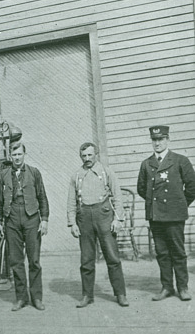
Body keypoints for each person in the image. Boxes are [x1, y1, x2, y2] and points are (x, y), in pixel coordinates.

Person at [137, 125, 195, 301]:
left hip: (174, 215)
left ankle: (183, 288)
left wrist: (179, 204)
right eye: (154, 140)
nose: (157, 143)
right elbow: (141, 188)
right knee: (161, 252)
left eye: (161, 139)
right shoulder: (147, 163)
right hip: (156, 216)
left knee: (177, 252)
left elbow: (192, 187)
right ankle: (167, 287)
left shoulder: (180, 160)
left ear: (167, 139)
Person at [67, 142, 128, 308]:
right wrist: (72, 223)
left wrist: (118, 219)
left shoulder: (107, 172)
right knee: (86, 259)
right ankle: (87, 295)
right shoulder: (77, 175)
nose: (87, 159)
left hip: (104, 216)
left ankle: (120, 294)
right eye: (84, 156)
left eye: (90, 155)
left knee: (112, 257)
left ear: (96, 155)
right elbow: (71, 202)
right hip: (84, 218)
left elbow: (117, 197)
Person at [0, 142, 49, 311]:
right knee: (16, 261)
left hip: (31, 218)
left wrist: (44, 219)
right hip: (11, 220)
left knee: (34, 260)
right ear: (10, 156)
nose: (17, 158)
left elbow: (42, 198)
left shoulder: (34, 173)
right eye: (14, 155)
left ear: (25, 154)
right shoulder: (3, 175)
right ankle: (21, 298)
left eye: (19, 154)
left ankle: (37, 298)